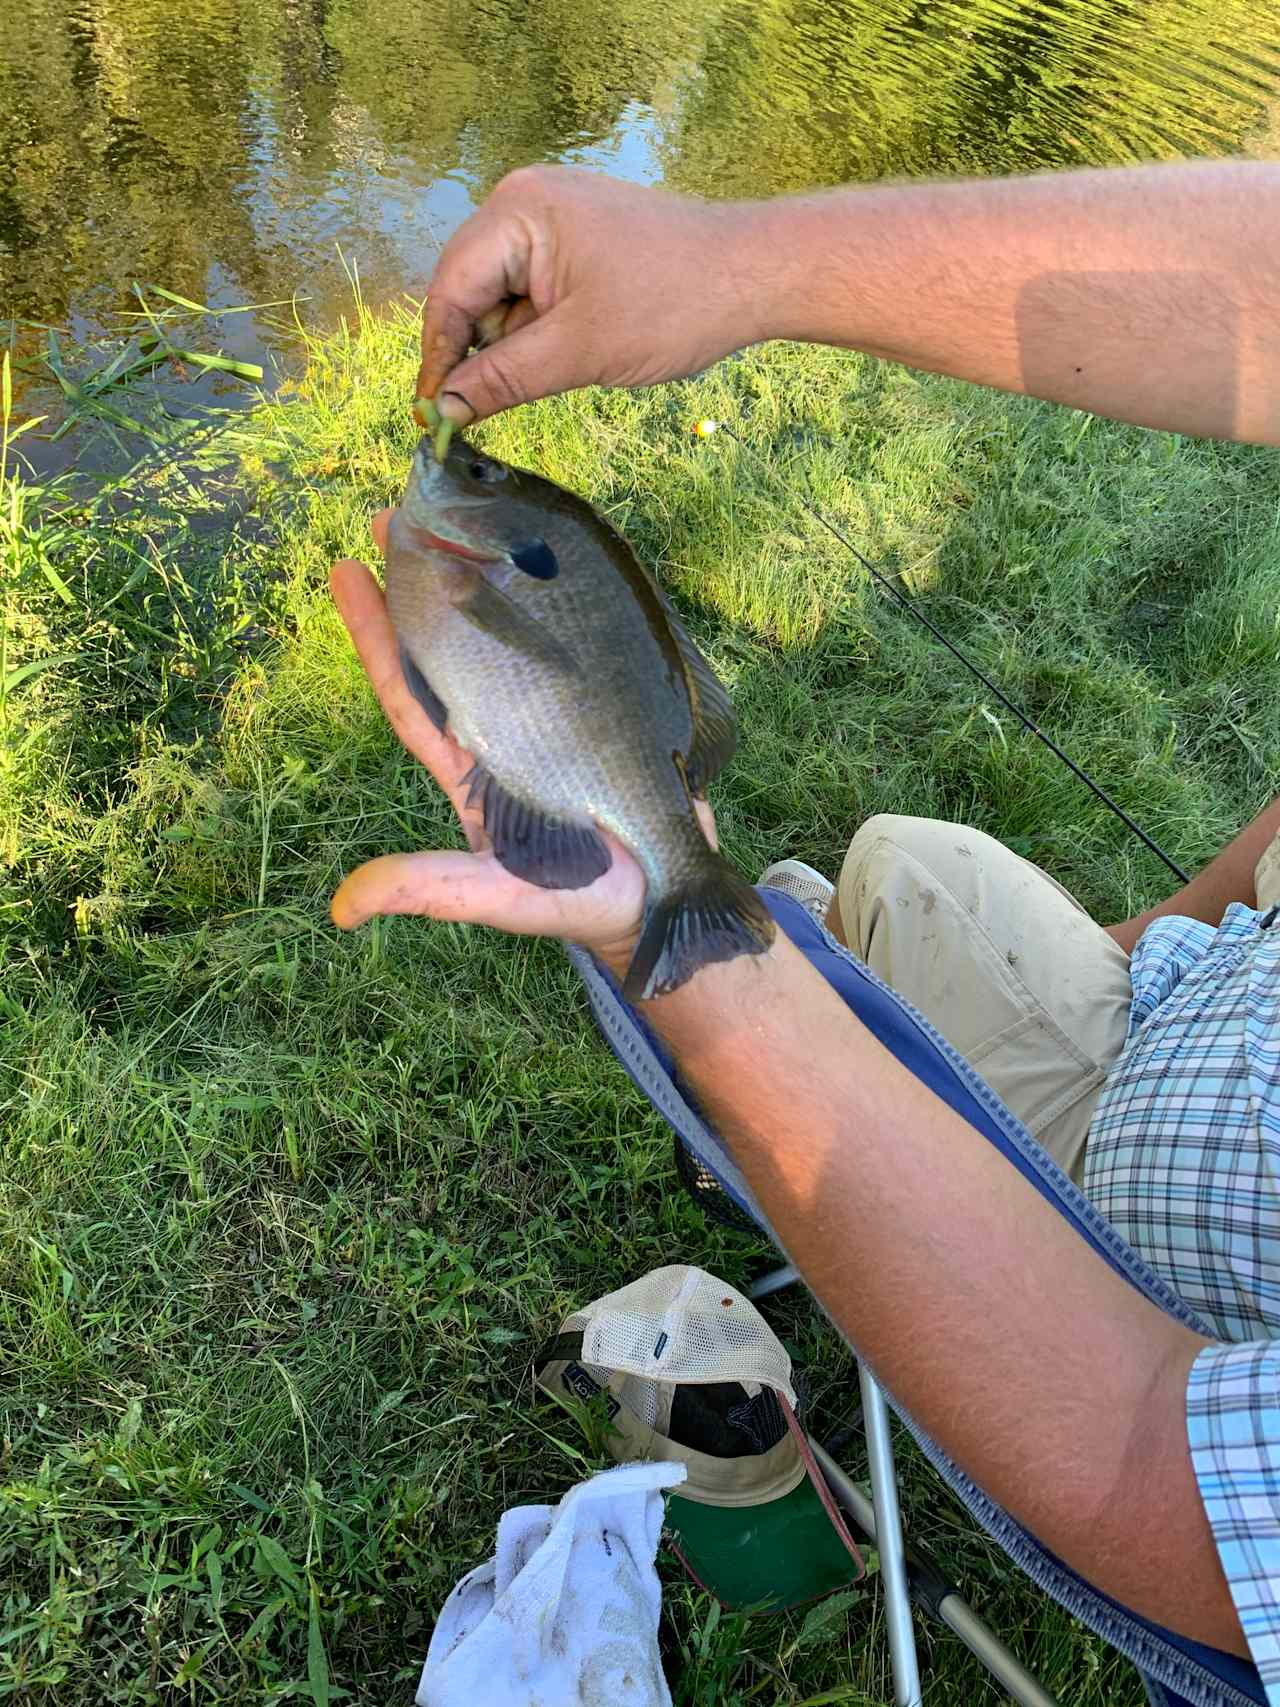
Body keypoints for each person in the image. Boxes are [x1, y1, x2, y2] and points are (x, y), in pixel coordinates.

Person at [329, 160, 1280, 1680]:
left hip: (1128, 1304)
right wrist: (733, 259)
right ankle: (824, 1043)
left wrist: (705, 982)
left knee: (761, 933)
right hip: (1168, 1024)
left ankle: (775, 1106)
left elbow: (1150, 1476)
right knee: (895, 868)